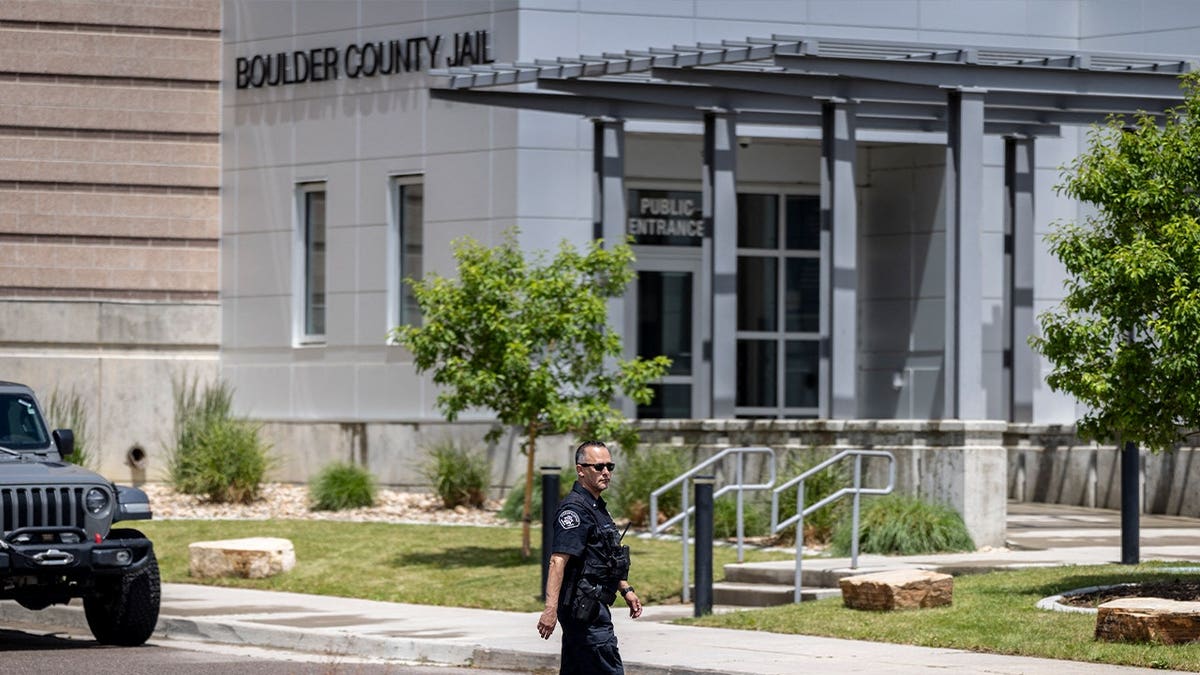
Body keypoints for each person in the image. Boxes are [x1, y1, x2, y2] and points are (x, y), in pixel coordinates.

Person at [537, 440, 642, 674]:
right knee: (608, 667)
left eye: (609, 466)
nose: (606, 472)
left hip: (592, 604)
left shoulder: (596, 508)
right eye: (598, 467)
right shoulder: (574, 512)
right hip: (583, 609)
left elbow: (604, 557)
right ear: (580, 470)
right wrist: (549, 609)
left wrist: (626, 589)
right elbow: (557, 561)